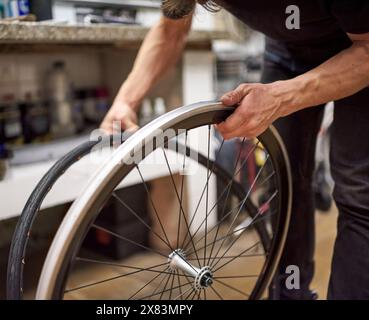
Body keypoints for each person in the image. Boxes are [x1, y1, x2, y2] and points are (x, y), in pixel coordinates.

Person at [100, 0, 369, 299]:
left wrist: (281, 98)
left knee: (358, 191)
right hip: (290, 49)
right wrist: (126, 100)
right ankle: (291, 294)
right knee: (285, 180)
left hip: (362, 49)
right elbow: (169, 30)